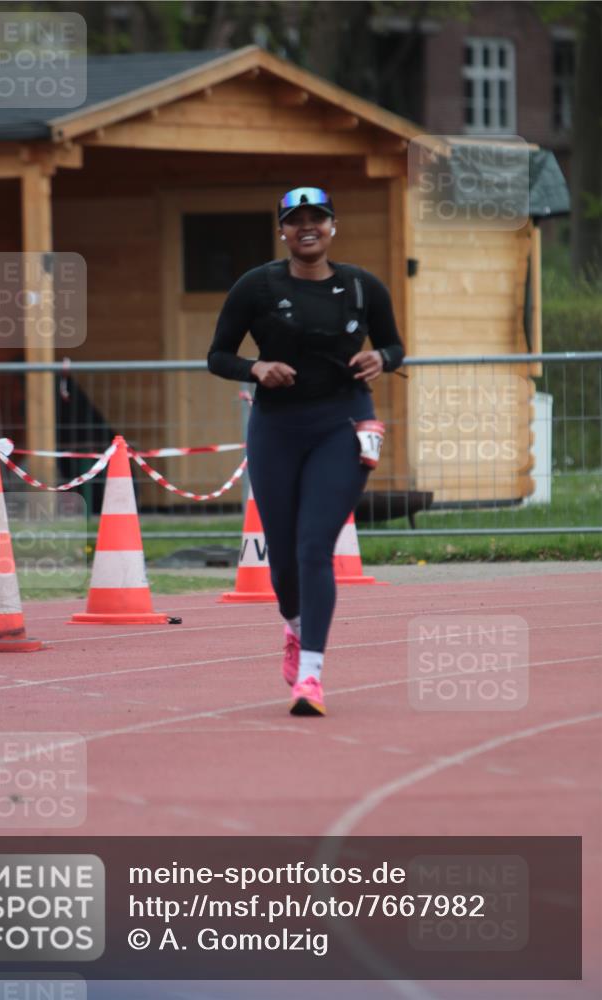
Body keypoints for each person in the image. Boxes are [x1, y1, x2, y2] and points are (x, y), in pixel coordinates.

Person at [207, 186, 405, 717]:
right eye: (296, 220)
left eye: (317, 217)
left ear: (333, 226)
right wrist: (255, 367)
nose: (307, 227)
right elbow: (218, 355)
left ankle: (312, 676)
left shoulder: (362, 286)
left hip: (343, 423)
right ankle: (294, 627)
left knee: (315, 546)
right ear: (283, 231)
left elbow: (394, 345)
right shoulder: (257, 286)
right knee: (284, 557)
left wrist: (382, 359)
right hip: (277, 428)